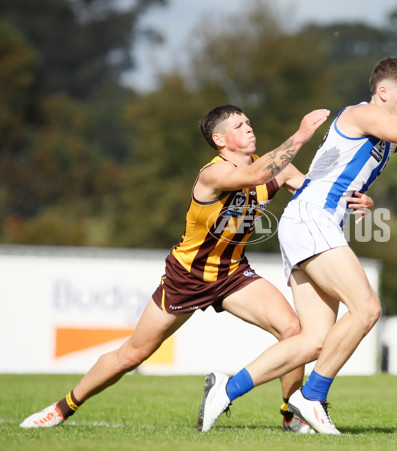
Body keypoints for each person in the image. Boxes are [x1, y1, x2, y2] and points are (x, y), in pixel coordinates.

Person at [19, 105, 373, 433]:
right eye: (239, 125)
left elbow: (315, 192)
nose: (249, 128)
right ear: (220, 140)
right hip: (187, 277)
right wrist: (298, 138)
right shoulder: (214, 173)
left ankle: (290, 413)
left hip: (233, 274)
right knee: (134, 354)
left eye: (248, 122)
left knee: (294, 330)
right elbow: (252, 174)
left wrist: (360, 199)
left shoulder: (272, 165)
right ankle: (63, 408)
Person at [199, 33, 397, 434]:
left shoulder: (385, 131)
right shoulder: (361, 115)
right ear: (382, 92)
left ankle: (227, 386)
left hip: (307, 221)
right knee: (368, 309)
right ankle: (312, 397)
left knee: (315, 342)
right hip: (312, 219)